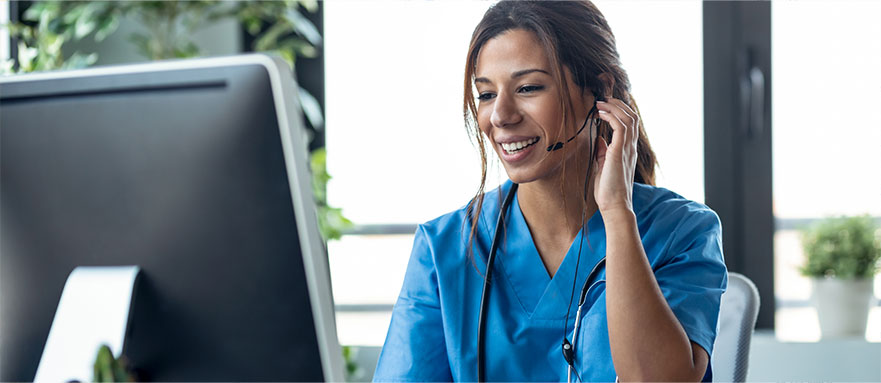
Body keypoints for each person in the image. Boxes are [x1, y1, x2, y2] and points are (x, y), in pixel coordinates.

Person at [373, 1, 727, 382]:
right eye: (487, 94)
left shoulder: (682, 232)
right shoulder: (444, 249)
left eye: (528, 87)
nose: (501, 116)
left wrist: (617, 213)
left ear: (599, 91)